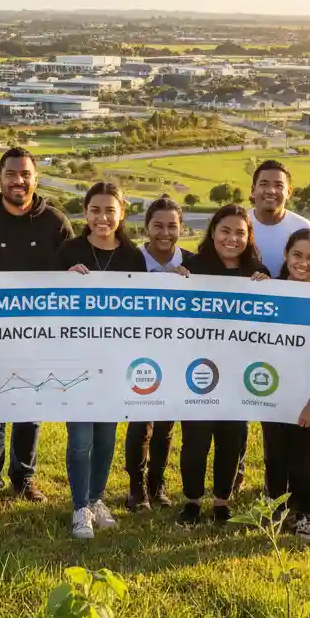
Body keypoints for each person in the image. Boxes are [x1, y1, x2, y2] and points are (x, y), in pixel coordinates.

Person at [0, 146, 73, 512]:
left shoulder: (55, 223)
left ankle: (23, 476)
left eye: (25, 174)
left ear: (35, 178)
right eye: (11, 174)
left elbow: (73, 275)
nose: (19, 180)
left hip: (41, 335)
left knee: (31, 404)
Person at [55, 181, 146, 539]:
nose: (102, 217)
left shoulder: (132, 256)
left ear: (122, 212)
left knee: (106, 437)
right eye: (95, 210)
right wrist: (62, 282)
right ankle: (79, 508)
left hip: (116, 363)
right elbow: (48, 303)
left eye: (110, 210)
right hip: (76, 360)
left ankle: (96, 500)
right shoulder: (68, 251)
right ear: (85, 212)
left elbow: (144, 309)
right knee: (80, 438)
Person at [177, 204, 269, 526]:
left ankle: (221, 503)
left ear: (249, 237)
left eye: (240, 233)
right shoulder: (191, 268)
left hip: (238, 376)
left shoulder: (258, 273)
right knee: (195, 442)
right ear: (213, 232)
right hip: (196, 372)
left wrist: (267, 288)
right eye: (225, 231)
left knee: (232, 440)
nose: (232, 239)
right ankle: (191, 502)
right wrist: (173, 283)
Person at [261, 228, 310, 544]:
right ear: (286, 256)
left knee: (305, 456)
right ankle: (275, 511)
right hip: (271, 389)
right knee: (274, 455)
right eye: (297, 255)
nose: (303, 263)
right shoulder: (272, 290)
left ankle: (304, 515)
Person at [124, 197, 196, 512]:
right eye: (158, 225)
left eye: (171, 226)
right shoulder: (129, 260)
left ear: (181, 228)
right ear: (146, 227)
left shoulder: (195, 263)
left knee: (166, 423)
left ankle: (157, 482)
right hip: (136, 353)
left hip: (178, 354)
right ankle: (136, 488)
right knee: (140, 421)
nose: (164, 233)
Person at [247, 160, 310, 278]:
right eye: (264, 184)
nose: (271, 191)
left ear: (289, 192)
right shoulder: (239, 225)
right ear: (253, 190)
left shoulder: (305, 229)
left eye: (278, 185)